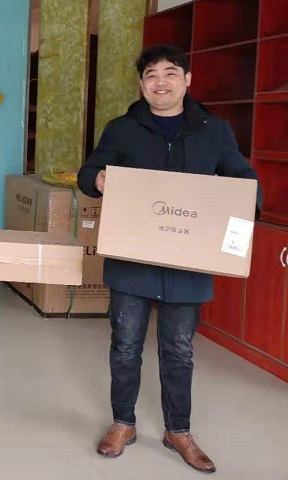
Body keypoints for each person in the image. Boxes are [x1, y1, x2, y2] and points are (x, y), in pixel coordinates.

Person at [77, 44, 261, 474]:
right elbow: (88, 173)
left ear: (187, 79)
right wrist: (97, 178)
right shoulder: (122, 129)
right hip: (131, 264)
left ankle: (178, 431)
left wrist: (246, 204)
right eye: (151, 75)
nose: (161, 82)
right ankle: (123, 424)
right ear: (141, 85)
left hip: (187, 267)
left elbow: (242, 176)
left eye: (170, 73)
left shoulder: (214, 131)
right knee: (125, 346)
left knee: (179, 350)